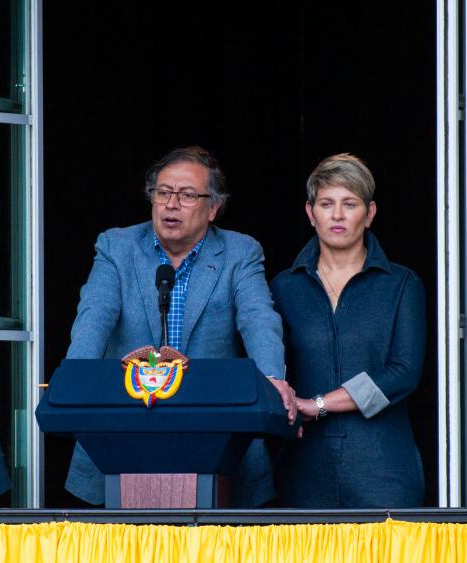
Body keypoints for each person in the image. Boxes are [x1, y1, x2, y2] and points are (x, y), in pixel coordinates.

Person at [63, 146, 297, 506]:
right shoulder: (117, 246)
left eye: (187, 195)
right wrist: (77, 379)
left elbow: (259, 320)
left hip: (217, 444)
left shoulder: (239, 253)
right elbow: (94, 316)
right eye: (163, 192)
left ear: (213, 208)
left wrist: (270, 379)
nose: (171, 204)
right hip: (121, 438)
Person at [270, 153, 426, 508]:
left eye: (349, 204)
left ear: (369, 214)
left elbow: (403, 373)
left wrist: (318, 404)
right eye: (326, 204)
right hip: (303, 468)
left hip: (383, 469)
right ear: (310, 213)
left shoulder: (401, 284)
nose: (337, 215)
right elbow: (269, 370)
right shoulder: (283, 287)